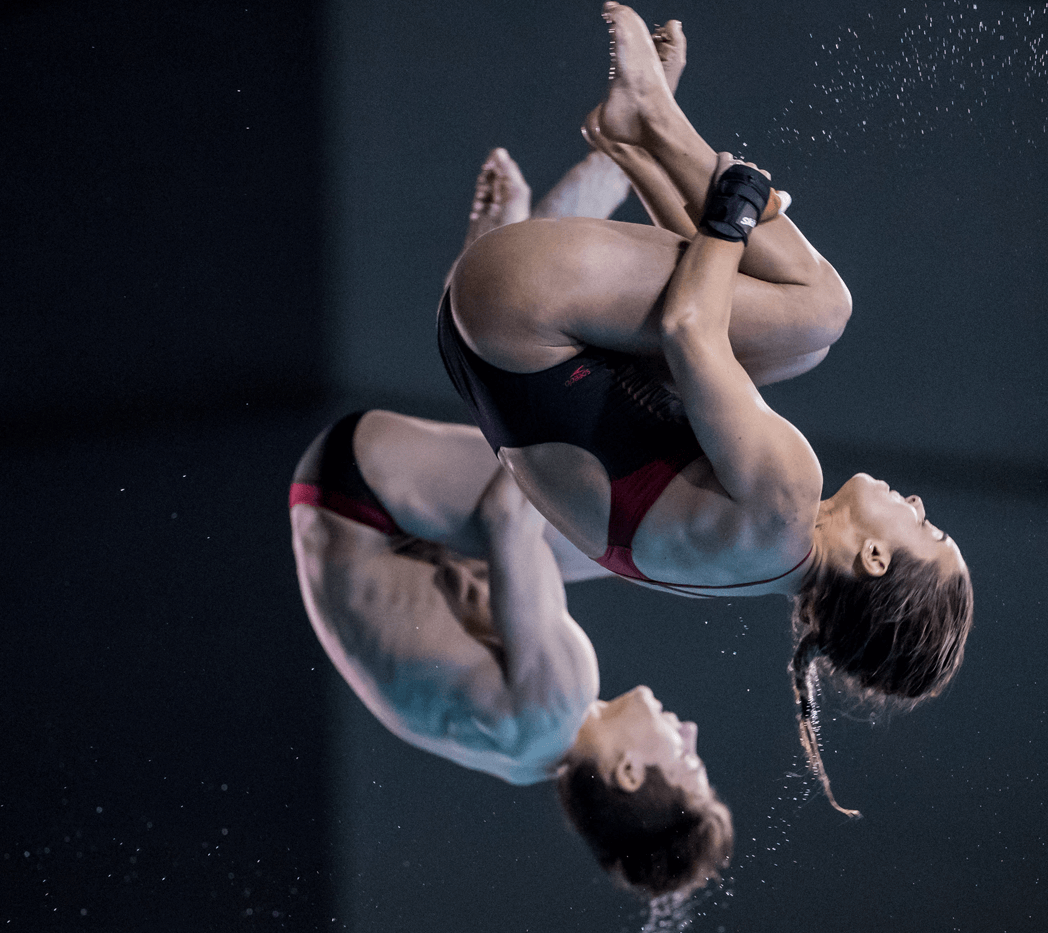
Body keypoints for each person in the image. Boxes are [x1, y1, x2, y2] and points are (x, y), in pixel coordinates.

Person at [439, 4, 974, 815]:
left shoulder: (792, 491)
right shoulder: (749, 570)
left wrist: (737, 207)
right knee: (795, 340)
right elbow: (694, 311)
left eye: (925, 530)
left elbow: (690, 325)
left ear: (874, 558)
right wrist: (702, 206)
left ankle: (654, 118)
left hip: (519, 305)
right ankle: (633, 131)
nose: (920, 505)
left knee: (823, 310)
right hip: (479, 345)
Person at [290, 130, 730, 897]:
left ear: (628, 772)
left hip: (362, 500)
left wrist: (613, 400)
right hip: (353, 514)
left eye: (685, 758)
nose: (689, 731)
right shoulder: (527, 752)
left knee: (620, 501)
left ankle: (516, 262)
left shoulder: (561, 699)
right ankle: (496, 279)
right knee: (606, 528)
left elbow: (506, 507)